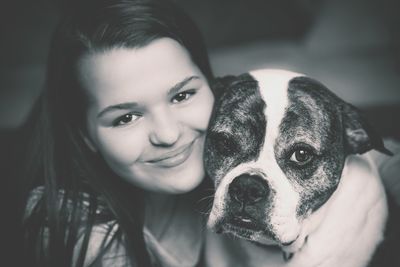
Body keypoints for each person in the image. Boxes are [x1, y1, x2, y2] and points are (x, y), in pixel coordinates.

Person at [21, 0, 215, 266]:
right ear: (84, 136)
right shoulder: (76, 229)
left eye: (182, 96)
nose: (168, 135)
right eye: (126, 118)